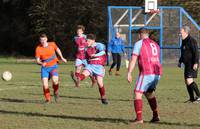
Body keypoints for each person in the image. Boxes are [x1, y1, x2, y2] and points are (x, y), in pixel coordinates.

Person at [127, 28, 162, 124]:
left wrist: (129, 73)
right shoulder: (155, 44)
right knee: (149, 93)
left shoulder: (139, 43)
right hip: (157, 73)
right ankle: (156, 116)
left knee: (137, 93)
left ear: (140, 35)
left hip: (146, 72)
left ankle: (139, 119)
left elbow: (133, 60)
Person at [70, 34, 108, 104]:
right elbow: (87, 58)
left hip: (99, 66)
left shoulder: (99, 45)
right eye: (87, 40)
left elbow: (103, 52)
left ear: (93, 40)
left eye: (89, 41)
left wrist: (95, 55)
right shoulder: (86, 48)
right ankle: (78, 79)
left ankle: (103, 97)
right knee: (85, 73)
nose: (87, 42)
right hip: (90, 65)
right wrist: (83, 64)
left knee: (100, 83)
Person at [35, 34, 67, 103]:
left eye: (44, 39)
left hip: (53, 66)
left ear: (46, 39)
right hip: (45, 68)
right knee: (45, 84)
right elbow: (37, 60)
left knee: (55, 81)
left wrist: (62, 57)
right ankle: (48, 99)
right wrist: (41, 63)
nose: (43, 41)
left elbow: (58, 49)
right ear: (39, 41)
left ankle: (56, 92)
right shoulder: (38, 48)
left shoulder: (52, 44)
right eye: (41, 40)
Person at [178, 26, 200, 103]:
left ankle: (199, 95)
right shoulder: (184, 41)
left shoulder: (191, 40)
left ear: (185, 32)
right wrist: (180, 61)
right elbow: (184, 53)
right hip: (187, 64)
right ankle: (192, 99)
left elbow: (196, 53)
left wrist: (196, 63)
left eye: (181, 30)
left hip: (192, 64)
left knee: (189, 80)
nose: (180, 32)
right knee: (186, 81)